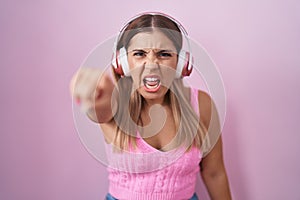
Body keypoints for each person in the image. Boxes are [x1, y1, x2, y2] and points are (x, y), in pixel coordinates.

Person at [70, 12, 231, 200]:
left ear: (181, 63)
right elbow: (98, 108)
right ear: (122, 63)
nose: (152, 65)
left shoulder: (201, 104)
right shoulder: (115, 103)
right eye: (139, 54)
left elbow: (214, 173)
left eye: (164, 54)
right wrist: (91, 92)